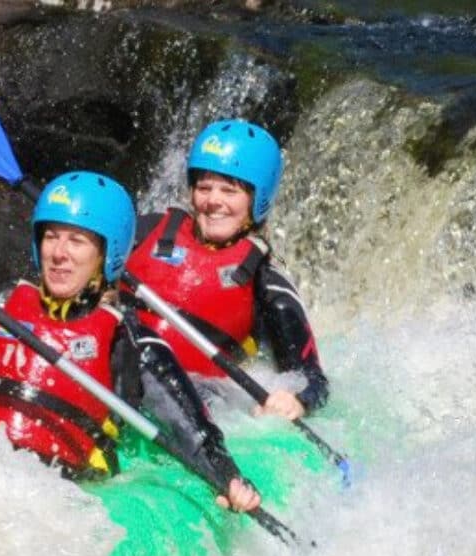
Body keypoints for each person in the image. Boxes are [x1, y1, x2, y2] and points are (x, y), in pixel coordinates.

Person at [0, 171, 259, 512]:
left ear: (106, 254)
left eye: (76, 241)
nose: (59, 253)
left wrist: (229, 479)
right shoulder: (2, 305)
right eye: (51, 237)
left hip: (53, 501)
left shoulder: (130, 342)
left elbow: (193, 430)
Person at [124, 119, 328, 422]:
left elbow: (314, 381)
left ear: (257, 200)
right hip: (116, 377)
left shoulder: (267, 285)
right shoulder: (146, 231)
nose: (213, 201)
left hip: (188, 406)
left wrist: (296, 402)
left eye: (229, 191)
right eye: (204, 188)